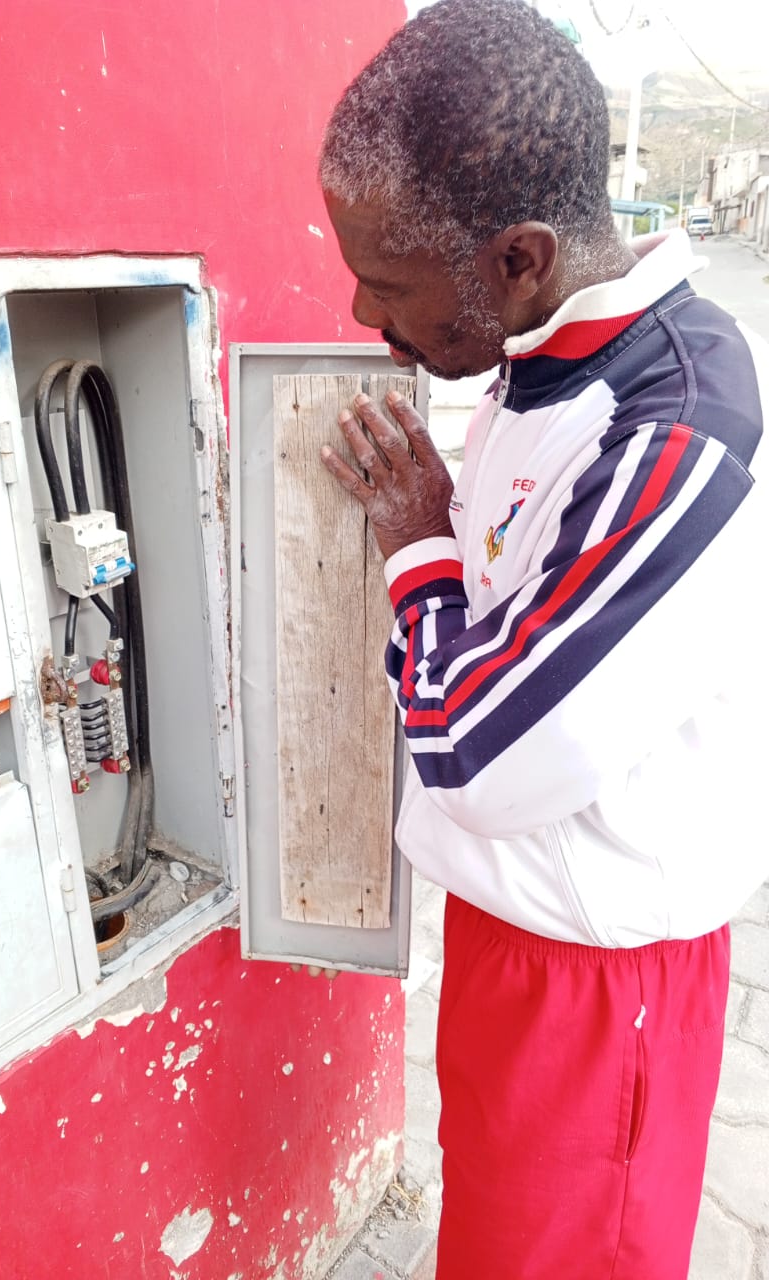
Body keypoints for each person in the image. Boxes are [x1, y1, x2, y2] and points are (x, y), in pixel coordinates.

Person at [316, 2, 768, 1277]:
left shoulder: (672, 429)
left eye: (389, 282)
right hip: (518, 947)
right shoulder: (542, 351)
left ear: (518, 258)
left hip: (602, 996)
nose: (362, 309)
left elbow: (476, 753)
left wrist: (418, 542)